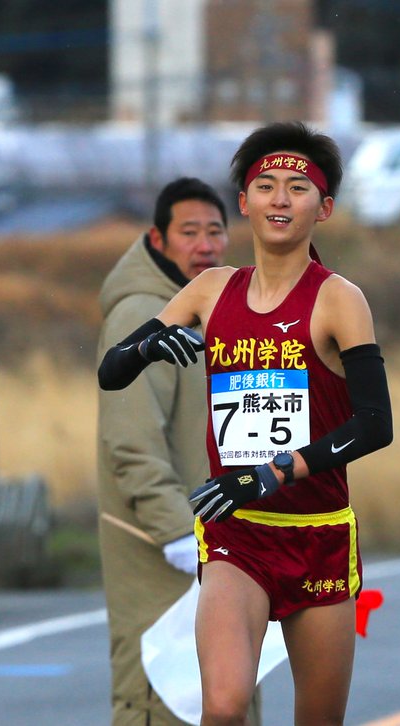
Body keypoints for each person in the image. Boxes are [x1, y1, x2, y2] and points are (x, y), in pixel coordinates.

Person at [98, 122, 393, 726]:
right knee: (225, 707)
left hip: (319, 536)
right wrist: (151, 346)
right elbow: (111, 371)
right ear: (244, 203)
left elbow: (375, 423)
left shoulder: (339, 298)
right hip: (237, 535)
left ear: (324, 207)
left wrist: (273, 471)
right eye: (265, 185)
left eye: (297, 187)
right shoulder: (210, 289)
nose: (280, 199)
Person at [97, 177, 265, 725]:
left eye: (214, 231)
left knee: (228, 695)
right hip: (162, 552)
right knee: (164, 701)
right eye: (188, 232)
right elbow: (131, 441)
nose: (205, 245)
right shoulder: (141, 318)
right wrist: (176, 532)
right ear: (158, 239)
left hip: (225, 544)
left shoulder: (221, 310)